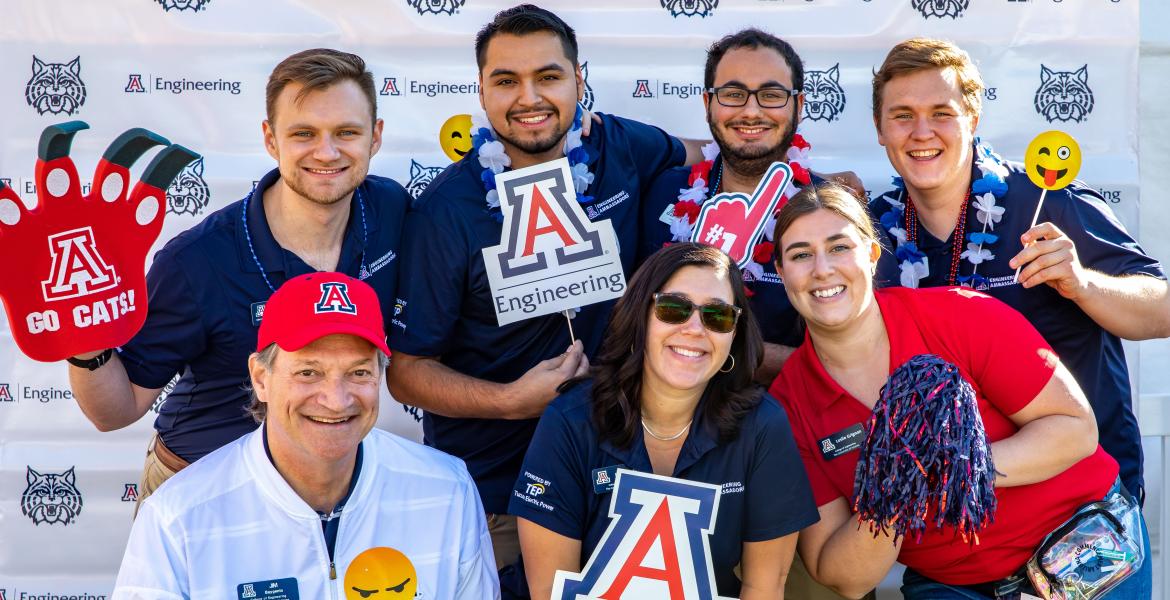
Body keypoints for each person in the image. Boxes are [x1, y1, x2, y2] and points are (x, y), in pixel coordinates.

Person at [388, 4, 703, 568]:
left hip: (624, 480)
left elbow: (703, 155)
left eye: (549, 77)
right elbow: (407, 375)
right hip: (499, 496)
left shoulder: (619, 147)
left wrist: (819, 184)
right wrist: (511, 403)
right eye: (507, 81)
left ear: (580, 81)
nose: (530, 98)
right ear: (481, 93)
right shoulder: (446, 210)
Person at [769, 182, 1150, 599]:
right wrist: (892, 492)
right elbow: (843, 577)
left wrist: (948, 470)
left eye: (839, 247)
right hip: (952, 584)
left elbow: (1075, 430)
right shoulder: (789, 405)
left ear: (872, 255)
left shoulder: (960, 314)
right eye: (801, 254)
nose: (822, 268)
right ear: (782, 271)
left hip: (1080, 546)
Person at [66, 49, 410, 506]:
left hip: (325, 486)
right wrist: (78, 330)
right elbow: (115, 410)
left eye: (346, 132)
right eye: (303, 133)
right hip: (201, 482)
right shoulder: (198, 260)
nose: (327, 152)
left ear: (376, 136)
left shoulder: (390, 210)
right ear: (270, 139)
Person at [867, 38, 1170, 502]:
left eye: (942, 113)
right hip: (957, 517)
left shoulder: (1049, 201)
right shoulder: (873, 233)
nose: (922, 131)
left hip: (1082, 511)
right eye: (903, 114)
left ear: (973, 118)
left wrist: (1084, 285)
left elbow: (1162, 309)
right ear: (880, 128)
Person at [113, 272, 497, 599]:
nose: (336, 400)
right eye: (308, 372)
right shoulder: (178, 517)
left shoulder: (446, 490)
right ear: (261, 378)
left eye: (359, 372)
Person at [510, 242, 818, 599]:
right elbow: (550, 590)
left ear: (734, 336)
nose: (694, 329)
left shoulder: (763, 427)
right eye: (674, 308)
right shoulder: (571, 419)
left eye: (718, 316)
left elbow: (763, 588)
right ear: (640, 315)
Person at [639, 29, 813, 386]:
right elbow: (635, 315)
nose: (751, 111)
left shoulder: (825, 211)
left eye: (771, 94)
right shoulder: (664, 191)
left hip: (782, 424)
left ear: (800, 105)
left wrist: (719, 345)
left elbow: (842, 353)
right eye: (733, 94)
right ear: (708, 104)